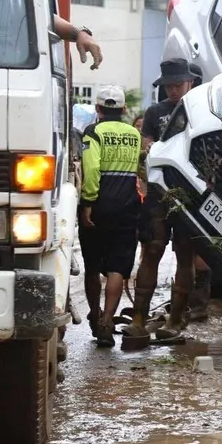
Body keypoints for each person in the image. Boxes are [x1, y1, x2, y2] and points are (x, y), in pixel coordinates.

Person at [126, 58, 204, 343]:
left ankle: (175, 319)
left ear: (190, 83)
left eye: (178, 85)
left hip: (188, 197)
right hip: (158, 194)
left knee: (185, 256)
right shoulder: (155, 112)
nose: (173, 90)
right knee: (151, 252)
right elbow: (145, 143)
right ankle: (138, 318)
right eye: (168, 85)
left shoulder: (200, 111)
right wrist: (150, 150)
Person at [78, 85, 143, 347]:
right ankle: (107, 319)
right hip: (127, 207)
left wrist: (88, 202)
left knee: (93, 265)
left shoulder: (93, 132)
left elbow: (91, 169)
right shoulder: (134, 135)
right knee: (118, 266)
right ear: (124, 109)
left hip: (99, 206)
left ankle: (94, 315)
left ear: (98, 108)